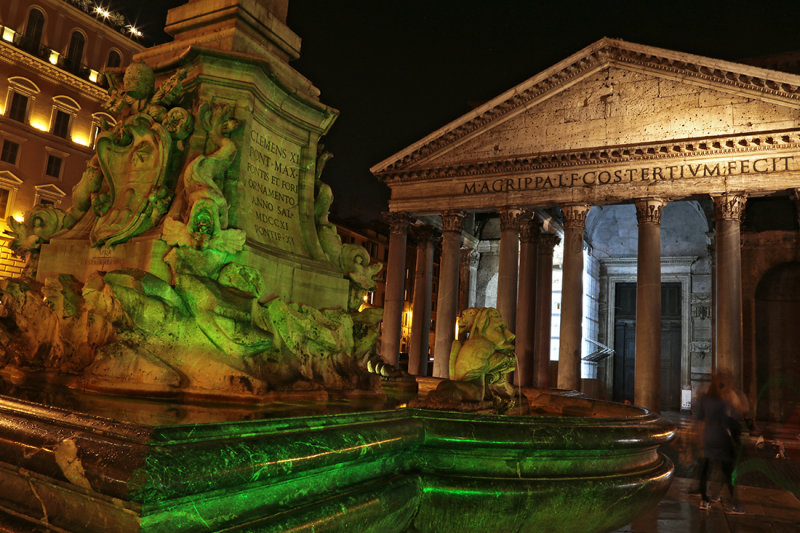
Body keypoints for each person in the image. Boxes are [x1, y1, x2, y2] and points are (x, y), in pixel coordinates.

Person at [695, 372, 744, 513]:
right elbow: (725, 421)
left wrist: (699, 441)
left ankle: (704, 500)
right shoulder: (721, 402)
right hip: (720, 438)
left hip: (708, 438)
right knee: (727, 471)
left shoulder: (704, 399)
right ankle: (734, 503)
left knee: (705, 471)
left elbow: (699, 422)